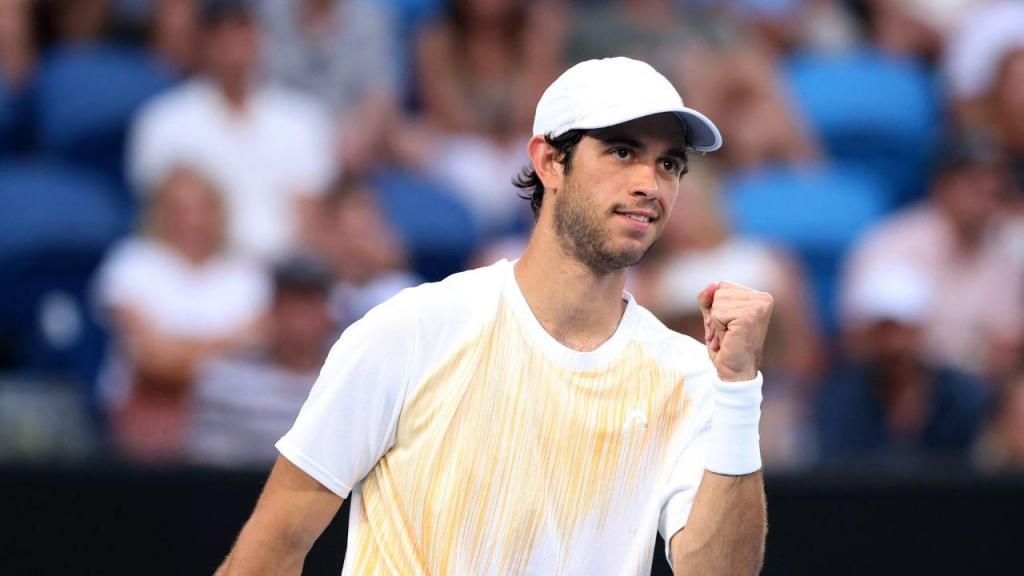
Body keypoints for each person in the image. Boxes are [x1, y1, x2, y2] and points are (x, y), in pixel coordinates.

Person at [216, 57, 771, 575]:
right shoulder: (412, 330)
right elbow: (273, 547)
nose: (650, 184)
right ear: (550, 160)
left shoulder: (693, 377)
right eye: (622, 152)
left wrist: (739, 390)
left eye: (669, 163)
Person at [128, 0, 336, 261]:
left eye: (241, 27)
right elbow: (161, 223)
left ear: (261, 36)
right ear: (201, 39)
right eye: (218, 29)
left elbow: (312, 219)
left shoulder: (303, 118)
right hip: (197, 272)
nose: (230, 39)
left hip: (285, 277)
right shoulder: (162, 121)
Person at [95, 166, 270, 462]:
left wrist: (177, 348)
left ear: (219, 212)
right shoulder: (131, 262)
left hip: (236, 419)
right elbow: (153, 361)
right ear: (158, 212)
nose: (191, 220)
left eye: (202, 208)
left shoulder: (247, 272)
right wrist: (225, 345)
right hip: (150, 415)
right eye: (178, 209)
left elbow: (260, 345)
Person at [187, 257, 334, 469]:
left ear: (328, 314)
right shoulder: (224, 383)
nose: (299, 318)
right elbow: (211, 475)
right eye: (289, 303)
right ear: (271, 312)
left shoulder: (354, 384)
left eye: (309, 304)